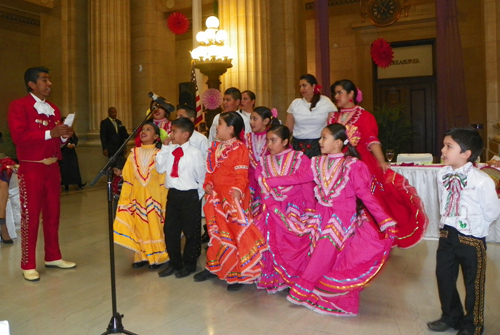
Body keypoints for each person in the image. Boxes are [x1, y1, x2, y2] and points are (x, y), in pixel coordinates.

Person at [264, 123, 397, 316]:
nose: (319, 141)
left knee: (323, 253)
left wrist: (385, 221)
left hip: (342, 219)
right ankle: (327, 293)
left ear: (337, 143)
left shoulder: (353, 166)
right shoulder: (317, 162)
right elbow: (298, 178)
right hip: (322, 216)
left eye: (324, 137)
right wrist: (271, 181)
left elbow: (366, 196)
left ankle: (304, 289)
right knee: (328, 257)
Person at [329, 79, 428, 249]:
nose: (336, 96)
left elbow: (371, 141)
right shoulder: (332, 117)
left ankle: (369, 236)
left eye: (340, 92)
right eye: (335, 93)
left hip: (360, 164)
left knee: (368, 199)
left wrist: (381, 161)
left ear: (351, 94)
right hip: (337, 165)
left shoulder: (365, 116)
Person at [427, 128, 500, 335]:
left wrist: (474, 228)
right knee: (444, 276)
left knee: (473, 284)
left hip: (472, 239)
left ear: (466, 154)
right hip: (447, 235)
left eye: (449, 146)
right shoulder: (442, 174)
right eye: (444, 145)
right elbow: (444, 201)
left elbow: (492, 211)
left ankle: (473, 324)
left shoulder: (481, 180)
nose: (443, 150)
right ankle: (451, 316)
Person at [8, 66, 76, 282]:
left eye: (49, 79)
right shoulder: (19, 106)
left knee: (53, 214)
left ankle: (53, 256)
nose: (49, 84)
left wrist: (64, 136)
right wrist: (50, 132)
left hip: (52, 168)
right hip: (32, 169)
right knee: (30, 217)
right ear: (31, 84)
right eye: (44, 80)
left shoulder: (54, 109)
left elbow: (54, 140)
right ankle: (28, 264)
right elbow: (19, 137)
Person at [194, 111, 268, 291]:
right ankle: (214, 267)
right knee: (215, 232)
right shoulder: (214, 148)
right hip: (215, 197)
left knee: (234, 234)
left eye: (219, 123)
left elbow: (241, 175)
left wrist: (235, 193)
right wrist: (208, 183)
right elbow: (210, 172)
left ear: (230, 129)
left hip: (232, 198)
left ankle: (238, 273)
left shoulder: (239, 148)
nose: (216, 127)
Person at [254, 125, 315, 293]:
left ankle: (292, 278)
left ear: (286, 141)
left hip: (293, 207)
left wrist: (310, 209)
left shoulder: (299, 158)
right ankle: (274, 277)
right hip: (272, 208)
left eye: (273, 141)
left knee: (292, 243)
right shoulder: (264, 160)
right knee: (270, 242)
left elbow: (306, 182)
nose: (269, 145)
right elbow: (259, 178)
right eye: (267, 141)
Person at [113, 122, 169, 269]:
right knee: (139, 226)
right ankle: (142, 256)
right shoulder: (133, 154)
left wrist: (164, 200)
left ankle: (158, 256)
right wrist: (125, 199)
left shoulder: (160, 154)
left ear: (156, 136)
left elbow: (163, 178)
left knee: (154, 226)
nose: (144, 131)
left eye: (149, 130)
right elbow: (128, 179)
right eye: (142, 129)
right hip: (137, 197)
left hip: (154, 196)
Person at [155, 117, 206, 279]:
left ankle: (189, 264)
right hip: (174, 194)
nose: (171, 133)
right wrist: (164, 147)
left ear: (186, 134)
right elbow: (159, 167)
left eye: (175, 131)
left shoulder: (194, 153)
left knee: (190, 232)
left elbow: (202, 177)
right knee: (170, 231)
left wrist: (196, 196)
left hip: (189, 195)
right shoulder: (169, 149)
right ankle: (174, 263)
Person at [176, 105, 210, 244]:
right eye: (176, 116)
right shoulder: (174, 137)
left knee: (192, 221)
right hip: (177, 184)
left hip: (193, 186)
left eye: (181, 116)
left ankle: (193, 249)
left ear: (191, 120)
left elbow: (204, 161)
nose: (177, 119)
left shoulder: (200, 139)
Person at [285, 74, 337, 158]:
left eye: (304, 85)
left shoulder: (326, 102)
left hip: (319, 145)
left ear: (313, 86)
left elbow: (332, 127)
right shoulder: (295, 103)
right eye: (300, 86)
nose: (302, 89)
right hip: (297, 146)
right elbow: (288, 128)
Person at [244, 106, 280, 216]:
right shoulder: (247, 138)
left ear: (265, 121)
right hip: (249, 181)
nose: (251, 122)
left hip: (267, 180)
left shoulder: (274, 138)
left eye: (255, 119)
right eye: (251, 118)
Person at [59, 116, 85, 191]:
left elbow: (75, 139)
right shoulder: (59, 130)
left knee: (74, 167)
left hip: (71, 152)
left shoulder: (71, 130)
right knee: (64, 169)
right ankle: (65, 184)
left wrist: (73, 144)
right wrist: (66, 144)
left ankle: (77, 183)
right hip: (64, 152)